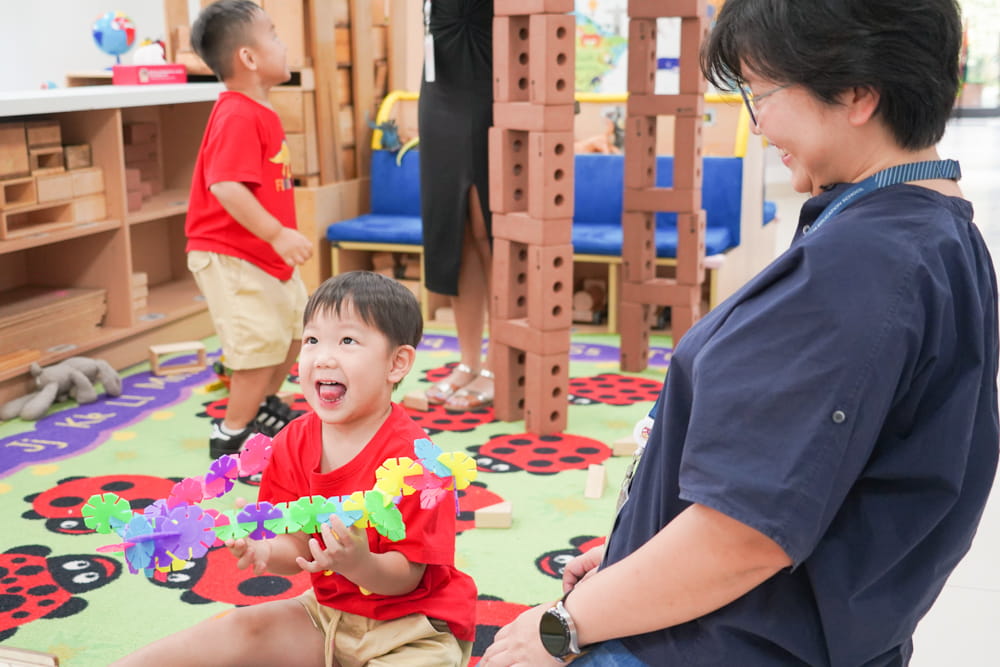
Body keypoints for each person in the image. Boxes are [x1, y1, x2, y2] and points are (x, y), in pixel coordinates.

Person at [482, 0, 999, 665]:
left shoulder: (861, 267)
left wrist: (566, 624)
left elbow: (744, 533)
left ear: (856, 92)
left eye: (761, 94)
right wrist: (638, 551)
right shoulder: (938, 232)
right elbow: (817, 475)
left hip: (722, 641)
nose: (757, 126)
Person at [112, 271, 478, 666]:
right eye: (312, 340)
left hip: (413, 630)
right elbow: (298, 547)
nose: (323, 356)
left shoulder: (418, 464)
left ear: (397, 363)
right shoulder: (293, 440)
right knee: (242, 629)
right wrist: (263, 548)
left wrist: (360, 563)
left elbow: (408, 575)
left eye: (348, 341)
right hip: (328, 616)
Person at [185, 0, 312, 459]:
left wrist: (277, 243)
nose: (283, 44)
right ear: (250, 58)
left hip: (263, 255)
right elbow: (225, 185)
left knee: (296, 333)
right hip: (231, 253)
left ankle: (261, 408)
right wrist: (277, 233)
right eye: (274, 35)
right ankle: (232, 436)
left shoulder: (262, 112)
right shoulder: (238, 113)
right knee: (258, 347)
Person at [418, 0, 496, 412]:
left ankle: (498, 365)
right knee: (456, 224)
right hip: (439, 78)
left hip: (491, 65)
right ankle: (468, 361)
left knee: (490, 224)